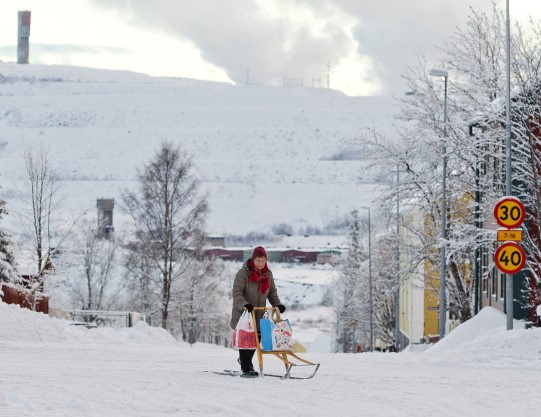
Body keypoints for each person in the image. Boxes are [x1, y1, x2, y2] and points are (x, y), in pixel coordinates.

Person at [230, 246, 286, 376]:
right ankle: (246, 367)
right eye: (258, 260)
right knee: (246, 339)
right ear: (253, 259)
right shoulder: (243, 273)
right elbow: (237, 293)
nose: (260, 263)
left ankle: (245, 360)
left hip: (260, 312)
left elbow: (272, 292)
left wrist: (278, 304)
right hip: (245, 312)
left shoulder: (268, 273)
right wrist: (245, 304)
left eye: (263, 260)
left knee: (256, 339)